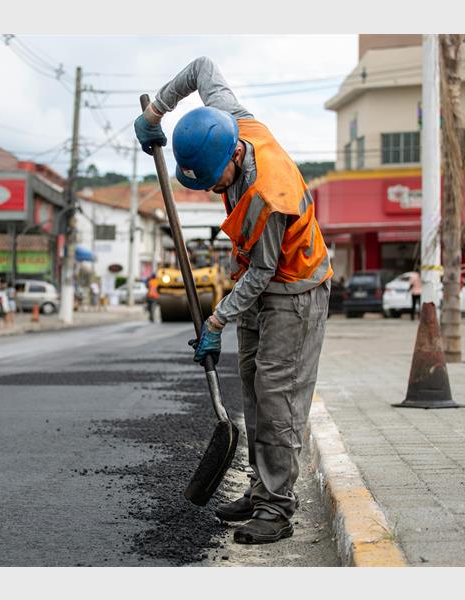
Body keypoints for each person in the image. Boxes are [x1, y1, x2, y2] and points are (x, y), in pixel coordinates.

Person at [135, 57, 333, 545]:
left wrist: (217, 322)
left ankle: (277, 510)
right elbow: (202, 68)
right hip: (258, 279)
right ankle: (259, 487)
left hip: (295, 287)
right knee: (251, 385)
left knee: (277, 398)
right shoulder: (229, 120)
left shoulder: (268, 194)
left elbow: (265, 271)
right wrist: (157, 112)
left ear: (232, 158)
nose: (215, 190)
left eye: (216, 182)